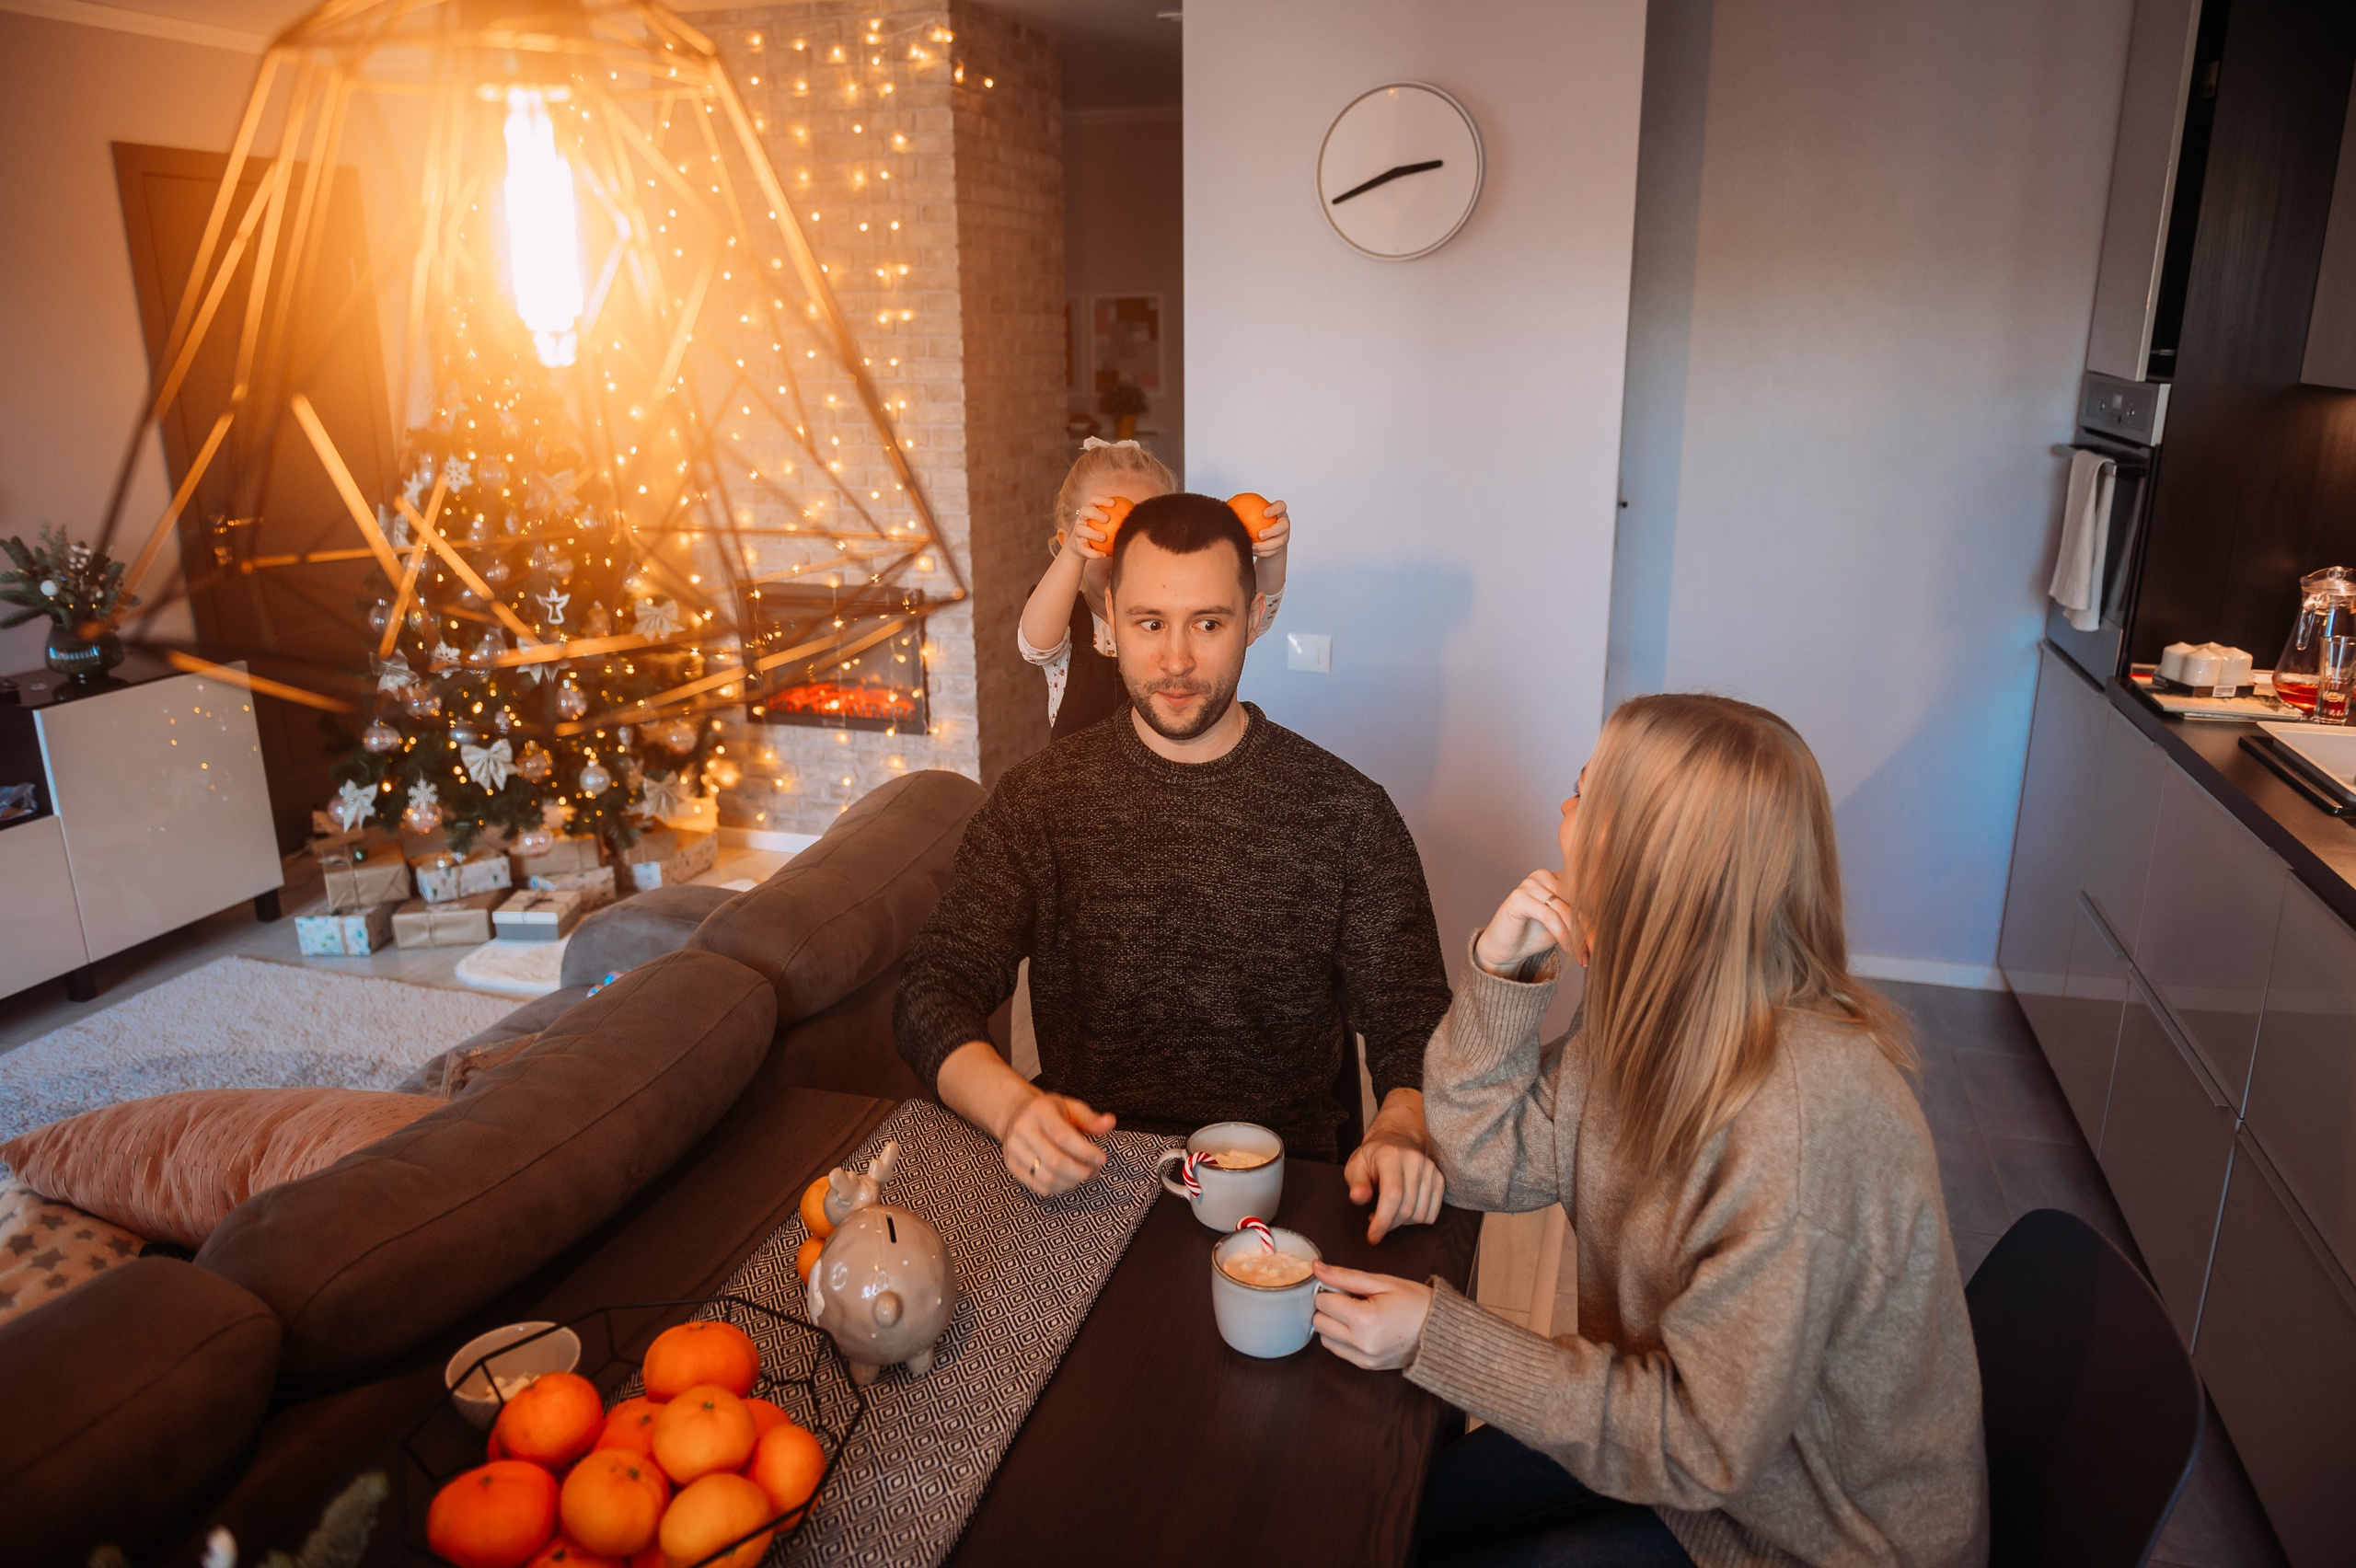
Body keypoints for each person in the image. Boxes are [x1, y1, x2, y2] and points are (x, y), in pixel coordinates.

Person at [1311, 695, 1988, 1567]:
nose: (1562, 814)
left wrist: (1435, 1337)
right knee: (1388, 1517)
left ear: (1650, 860)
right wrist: (1501, 975)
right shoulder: (1652, 1026)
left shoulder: (1802, 1123)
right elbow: (1478, 1159)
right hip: (1664, 1452)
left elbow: (1705, 1448)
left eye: (1585, 797)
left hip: (1796, 1537)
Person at [897, 492, 1448, 1241]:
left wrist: (1402, 1127)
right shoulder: (1039, 802)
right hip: (1086, 1186)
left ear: (1254, 620)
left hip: (1281, 1203)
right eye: (1150, 623)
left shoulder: (1347, 814)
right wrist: (1012, 1107)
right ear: (1109, 624)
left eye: (1209, 624)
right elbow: (934, 987)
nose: (1177, 660)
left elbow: (1412, 1018)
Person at [1016, 439, 1290, 740]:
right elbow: (1034, 646)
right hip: (1082, 779)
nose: (1125, 550)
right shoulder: (1067, 617)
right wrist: (1074, 553)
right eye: (1106, 532)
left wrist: (1272, 553)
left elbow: (1255, 614)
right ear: (1068, 539)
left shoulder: (1188, 603)